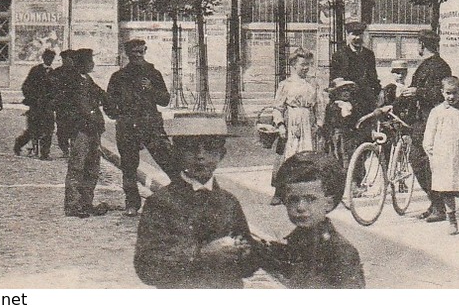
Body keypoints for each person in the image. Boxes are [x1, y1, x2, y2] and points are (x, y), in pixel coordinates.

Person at [134, 114, 257, 287]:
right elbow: (146, 267)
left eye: (209, 148)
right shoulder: (160, 203)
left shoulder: (229, 202)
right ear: (176, 153)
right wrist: (200, 254)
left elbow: (248, 266)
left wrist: (246, 253)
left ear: (222, 154)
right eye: (190, 148)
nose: (200, 156)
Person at [257, 151, 365, 288]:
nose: (301, 207)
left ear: (329, 203)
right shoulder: (295, 243)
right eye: (293, 200)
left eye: (310, 199)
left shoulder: (340, 253)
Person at [107, 38, 176, 215]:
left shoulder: (153, 74)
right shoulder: (119, 76)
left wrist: (152, 89)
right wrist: (117, 115)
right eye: (134, 52)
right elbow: (109, 102)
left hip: (150, 124)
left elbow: (165, 100)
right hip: (127, 127)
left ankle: (181, 198)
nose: (138, 55)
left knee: (168, 161)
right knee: (129, 168)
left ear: (145, 51)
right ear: (127, 54)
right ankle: (132, 204)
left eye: (141, 51)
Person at [423, 75, 459, 236]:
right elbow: (429, 137)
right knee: (447, 191)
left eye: (455, 93)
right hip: (444, 159)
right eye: (448, 93)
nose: (451, 97)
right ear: (442, 92)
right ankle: (452, 222)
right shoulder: (437, 112)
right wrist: (433, 157)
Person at [403, 33, 452, 222]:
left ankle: (439, 206)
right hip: (421, 120)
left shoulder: (440, 66)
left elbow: (443, 94)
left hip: (433, 121)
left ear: (422, 44)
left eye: (419, 43)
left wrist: (418, 91)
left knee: (424, 162)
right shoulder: (425, 65)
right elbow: (413, 90)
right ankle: (435, 203)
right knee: (418, 161)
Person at [61, 50, 113, 217]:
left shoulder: (87, 80)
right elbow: (83, 107)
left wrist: (113, 103)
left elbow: (102, 95)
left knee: (92, 167)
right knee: (78, 167)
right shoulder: (75, 82)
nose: (92, 63)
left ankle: (86, 202)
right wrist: (97, 119)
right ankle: (73, 205)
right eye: (90, 60)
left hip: (92, 129)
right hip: (81, 130)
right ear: (81, 64)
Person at [269, 48, 323, 205]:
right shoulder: (285, 85)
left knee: (306, 158)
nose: (305, 68)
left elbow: (319, 106)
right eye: (302, 64)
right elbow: (277, 107)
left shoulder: (312, 85)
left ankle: (302, 193)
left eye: (308, 65)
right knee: (286, 158)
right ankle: (279, 192)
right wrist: (280, 125)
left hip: (307, 123)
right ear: (293, 65)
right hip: (290, 122)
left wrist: (318, 123)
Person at [329, 22, 381, 118]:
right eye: (354, 34)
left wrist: (376, 95)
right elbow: (335, 80)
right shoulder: (340, 55)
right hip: (347, 104)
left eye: (360, 34)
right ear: (348, 35)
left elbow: (373, 79)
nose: (358, 38)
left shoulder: (369, 55)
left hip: (366, 103)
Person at [14, 49, 58, 158]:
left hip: (48, 106)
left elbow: (57, 89)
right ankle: (19, 143)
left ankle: (44, 153)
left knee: (49, 129)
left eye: (52, 58)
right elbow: (26, 86)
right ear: (43, 58)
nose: (49, 60)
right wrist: (32, 98)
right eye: (48, 57)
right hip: (36, 105)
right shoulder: (35, 70)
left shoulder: (54, 73)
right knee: (33, 130)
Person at [48, 52, 76, 158]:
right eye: (64, 59)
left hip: (74, 106)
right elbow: (51, 88)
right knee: (62, 130)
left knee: (74, 128)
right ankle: (65, 149)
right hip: (62, 106)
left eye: (68, 59)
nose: (66, 61)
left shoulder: (77, 72)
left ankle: (74, 148)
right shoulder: (57, 72)